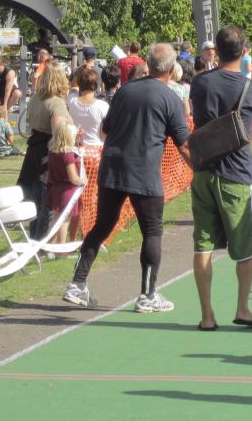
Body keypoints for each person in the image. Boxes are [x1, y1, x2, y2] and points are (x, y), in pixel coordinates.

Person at [63, 44, 191, 311]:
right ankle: (148, 295)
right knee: (152, 231)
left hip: (112, 168)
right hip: (143, 172)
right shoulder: (170, 98)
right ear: (170, 69)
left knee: (102, 225)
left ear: (148, 64)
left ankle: (77, 283)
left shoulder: (125, 91)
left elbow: (105, 130)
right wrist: (200, 168)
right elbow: (184, 144)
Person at [190, 25, 252, 330]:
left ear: (216, 50)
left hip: (203, 171)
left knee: (203, 245)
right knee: (246, 248)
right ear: (244, 51)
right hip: (237, 175)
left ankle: (207, 315)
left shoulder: (199, 83)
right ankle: (242, 308)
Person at [17, 61, 71, 239]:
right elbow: (58, 133)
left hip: (34, 150)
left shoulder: (35, 99)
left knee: (35, 201)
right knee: (47, 201)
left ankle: (35, 238)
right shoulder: (56, 103)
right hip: (48, 154)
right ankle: (42, 242)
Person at [46, 121, 87, 245]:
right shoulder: (68, 155)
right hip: (67, 191)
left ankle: (50, 246)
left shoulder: (53, 151)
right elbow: (73, 178)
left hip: (55, 189)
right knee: (65, 220)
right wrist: (82, 180)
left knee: (55, 219)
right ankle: (61, 249)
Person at [68, 68, 109, 148]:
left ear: (80, 84)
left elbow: (73, 86)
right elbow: (104, 135)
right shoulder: (103, 106)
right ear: (96, 85)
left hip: (76, 148)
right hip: (96, 148)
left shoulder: (72, 101)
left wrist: (82, 70)